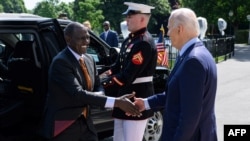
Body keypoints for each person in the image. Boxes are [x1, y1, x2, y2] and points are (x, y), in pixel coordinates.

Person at [38, 22, 141, 141]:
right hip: (64, 125)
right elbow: (78, 94)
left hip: (86, 123)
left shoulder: (89, 59)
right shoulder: (61, 62)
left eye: (87, 37)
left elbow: (98, 85)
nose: (86, 42)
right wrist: (117, 102)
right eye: (81, 38)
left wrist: (100, 94)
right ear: (68, 39)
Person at [134, 8, 218, 141]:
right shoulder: (196, 53)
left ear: (180, 29)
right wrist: (146, 103)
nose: (167, 33)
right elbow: (176, 95)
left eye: (169, 28)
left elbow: (189, 117)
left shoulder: (193, 60)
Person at [101, 2, 157, 141]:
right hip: (124, 98)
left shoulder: (143, 42)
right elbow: (118, 66)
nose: (127, 19)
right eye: (127, 16)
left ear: (142, 19)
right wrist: (100, 76)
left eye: (130, 16)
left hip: (136, 99)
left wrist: (104, 85)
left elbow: (127, 76)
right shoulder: (130, 40)